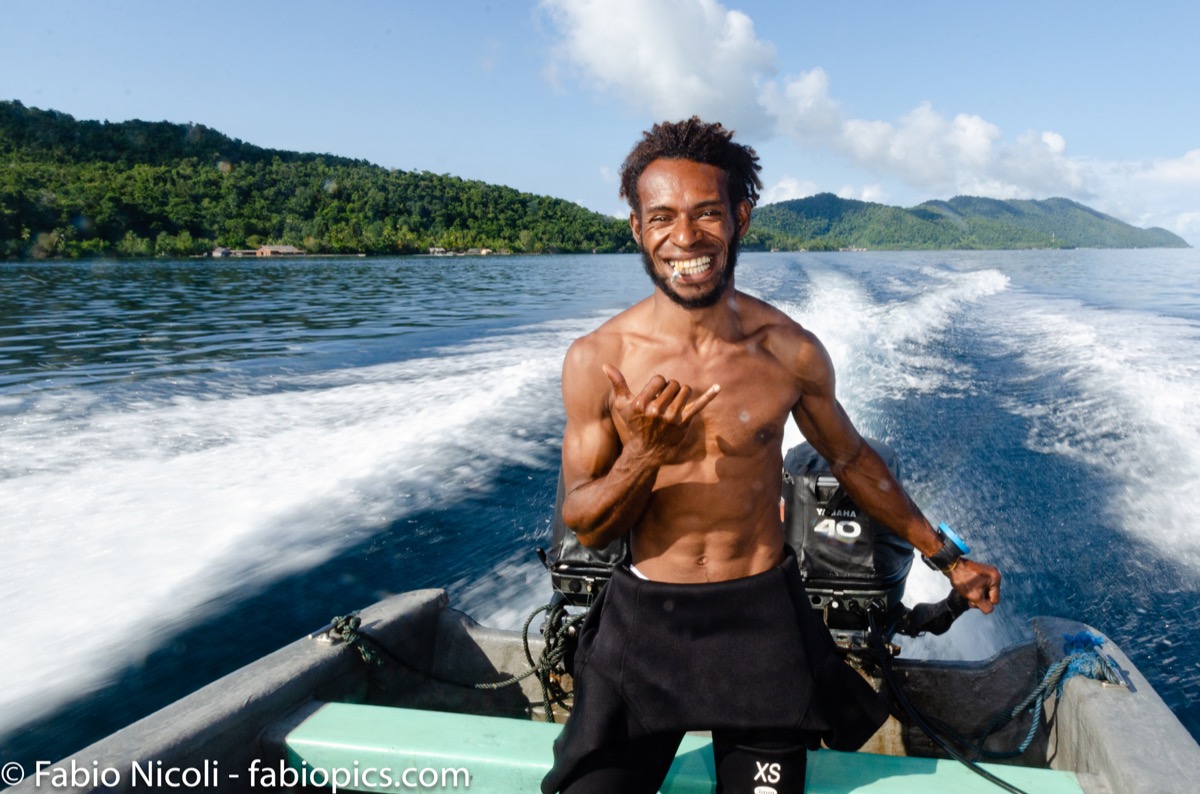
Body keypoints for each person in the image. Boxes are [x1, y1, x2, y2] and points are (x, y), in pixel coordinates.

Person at [543, 117, 1002, 794]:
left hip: (759, 624)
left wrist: (949, 560)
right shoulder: (597, 360)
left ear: (740, 218)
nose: (685, 237)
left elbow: (853, 462)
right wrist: (643, 455)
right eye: (662, 217)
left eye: (706, 212)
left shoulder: (790, 351)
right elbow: (585, 523)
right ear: (638, 229)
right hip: (644, 623)